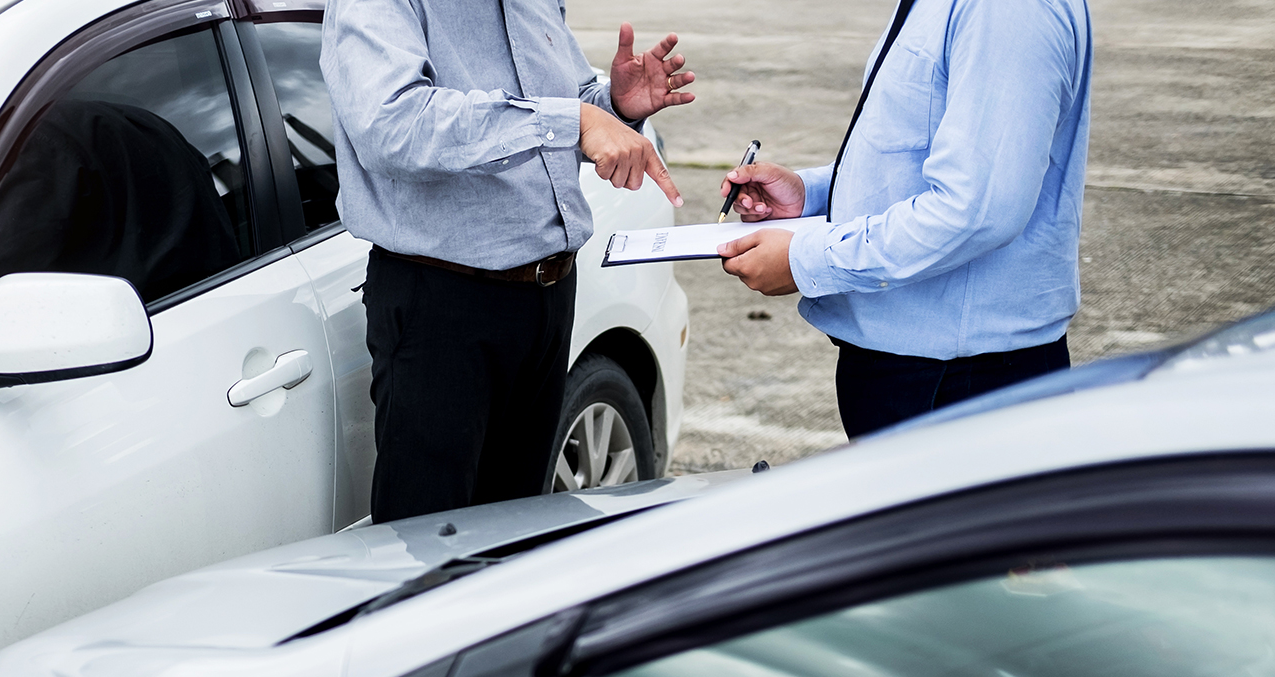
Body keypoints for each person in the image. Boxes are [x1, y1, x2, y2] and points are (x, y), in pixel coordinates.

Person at [322, 3, 691, 524]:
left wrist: (611, 105)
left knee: (515, 527)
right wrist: (574, 119)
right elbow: (394, 126)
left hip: (549, 293)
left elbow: (561, 102)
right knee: (431, 545)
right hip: (444, 304)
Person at [716, 0, 1093, 437]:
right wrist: (811, 194)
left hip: (962, 384)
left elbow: (977, 210)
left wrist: (806, 260)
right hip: (922, 372)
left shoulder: (1004, 9)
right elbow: (922, 154)